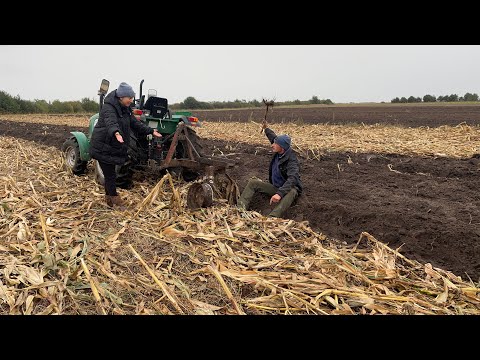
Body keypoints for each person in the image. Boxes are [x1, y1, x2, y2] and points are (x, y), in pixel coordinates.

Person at [90, 82, 162, 209]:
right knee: (111, 174)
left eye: (132, 97)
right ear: (121, 97)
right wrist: (116, 132)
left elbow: (135, 123)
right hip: (103, 145)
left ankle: (110, 199)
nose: (131, 100)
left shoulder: (126, 109)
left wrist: (150, 131)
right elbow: (110, 122)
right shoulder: (109, 108)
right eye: (129, 98)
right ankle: (114, 201)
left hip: (111, 144)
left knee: (110, 174)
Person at [237, 122, 303, 218]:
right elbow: (272, 137)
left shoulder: (291, 161)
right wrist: (266, 128)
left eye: (275, 144)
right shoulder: (279, 148)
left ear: (282, 147)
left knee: (293, 191)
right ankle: (239, 209)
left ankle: (272, 217)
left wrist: (279, 194)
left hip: (287, 190)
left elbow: (293, 179)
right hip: (276, 187)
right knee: (253, 183)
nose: (272, 145)